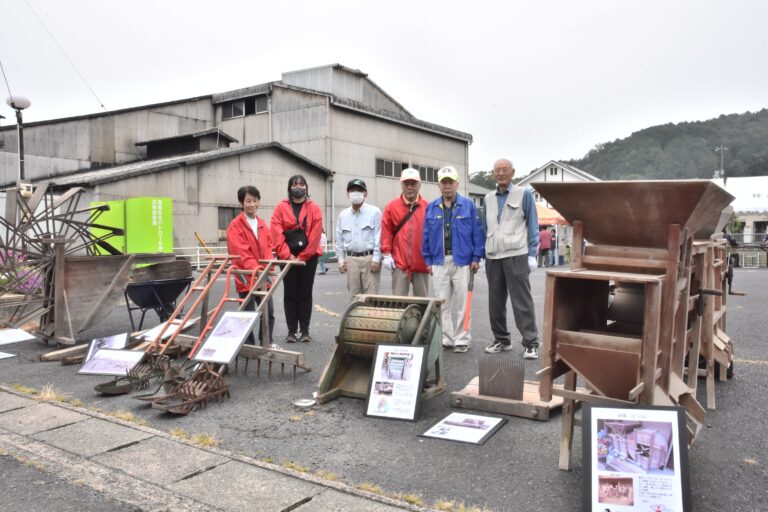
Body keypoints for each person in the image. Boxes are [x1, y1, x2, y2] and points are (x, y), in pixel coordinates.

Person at [422, 166, 484, 353]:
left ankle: (462, 339)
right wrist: (427, 261)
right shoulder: (431, 207)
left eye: (451, 182)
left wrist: (476, 256)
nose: (447, 186)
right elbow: (425, 235)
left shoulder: (468, 206)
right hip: (439, 261)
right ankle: (447, 338)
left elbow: (477, 233)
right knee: (442, 303)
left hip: (463, 261)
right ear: (439, 185)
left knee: (463, 303)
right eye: (444, 182)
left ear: (457, 183)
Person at [483, 158, 540, 359]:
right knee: (495, 301)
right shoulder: (487, 198)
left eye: (504, 170)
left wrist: (532, 254)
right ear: (492, 174)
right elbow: (486, 227)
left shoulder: (524, 194)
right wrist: (484, 253)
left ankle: (531, 343)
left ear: (512, 173)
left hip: (517, 253)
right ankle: (501, 339)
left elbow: (533, 225)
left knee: (521, 300)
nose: (500, 173)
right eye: (497, 170)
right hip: (493, 255)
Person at [270, 175, 323, 343]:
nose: (298, 187)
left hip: (309, 257)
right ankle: (291, 331)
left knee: (305, 293)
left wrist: (302, 256)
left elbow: (315, 235)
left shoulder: (314, 208)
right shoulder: (281, 207)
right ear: (289, 187)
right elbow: (276, 232)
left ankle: (305, 330)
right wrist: (288, 255)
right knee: (290, 293)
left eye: (301, 184)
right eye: (295, 184)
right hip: (288, 257)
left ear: (306, 188)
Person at [226, 185, 275, 345]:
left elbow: (269, 248)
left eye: (255, 200)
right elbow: (241, 253)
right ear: (241, 203)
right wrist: (258, 270)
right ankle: (248, 345)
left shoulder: (261, 223)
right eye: (248, 201)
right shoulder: (235, 225)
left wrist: (268, 269)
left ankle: (266, 342)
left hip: (264, 277)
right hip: (247, 278)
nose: (252, 204)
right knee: (247, 314)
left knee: (269, 313)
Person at [381, 168, 430, 296]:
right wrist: (386, 253)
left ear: (419, 185)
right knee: (398, 303)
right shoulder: (391, 207)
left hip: (421, 263)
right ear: (401, 184)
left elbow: (433, 235)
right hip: (399, 264)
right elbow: (386, 232)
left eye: (413, 183)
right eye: (406, 183)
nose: (409, 187)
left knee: (423, 304)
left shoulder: (428, 207)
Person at [336, 178, 382, 302]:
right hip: (351, 260)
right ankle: (356, 322)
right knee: (354, 297)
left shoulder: (375, 212)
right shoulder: (343, 215)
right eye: (352, 191)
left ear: (365, 193)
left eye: (359, 190)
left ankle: (372, 322)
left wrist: (376, 259)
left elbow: (379, 236)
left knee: (371, 297)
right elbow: (339, 239)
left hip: (369, 258)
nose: (355, 193)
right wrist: (341, 260)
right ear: (348, 194)